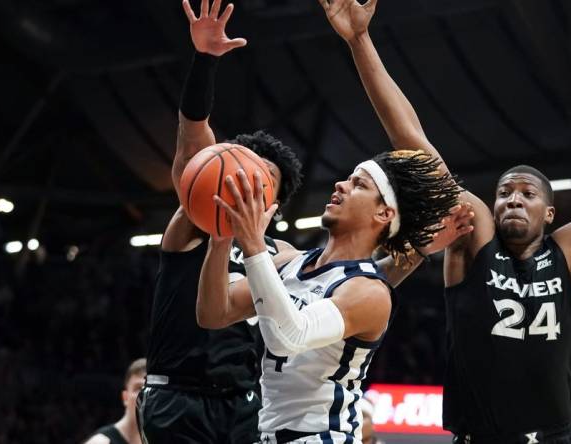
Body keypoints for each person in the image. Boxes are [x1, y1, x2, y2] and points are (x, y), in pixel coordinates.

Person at [321, 0, 571, 442]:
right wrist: (360, 40)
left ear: (550, 213)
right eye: (503, 193)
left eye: (527, 194)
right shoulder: (475, 236)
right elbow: (413, 142)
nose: (512, 200)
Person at [196, 148, 465, 443]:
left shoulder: (369, 292)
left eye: (359, 184)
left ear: (384, 213)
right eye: (348, 179)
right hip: (269, 434)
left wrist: (253, 245)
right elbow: (214, 313)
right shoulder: (288, 261)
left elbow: (290, 337)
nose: (340, 185)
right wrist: (219, 240)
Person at [135, 1, 303, 443]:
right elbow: (193, 135)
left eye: (263, 178)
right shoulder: (194, 220)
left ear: (275, 203)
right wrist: (205, 60)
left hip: (247, 403)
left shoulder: (283, 256)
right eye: (242, 168)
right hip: (179, 399)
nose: (247, 181)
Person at [84, 359, 147, 444]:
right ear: (125, 397)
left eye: (149, 389)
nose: (145, 395)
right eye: (138, 388)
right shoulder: (100, 442)